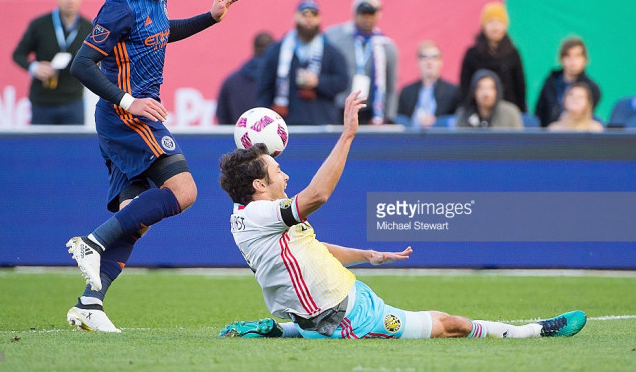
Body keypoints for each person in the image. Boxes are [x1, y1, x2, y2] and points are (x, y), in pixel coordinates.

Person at [217, 92, 586, 339]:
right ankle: (532, 332)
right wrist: (347, 136)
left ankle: (280, 329)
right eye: (274, 169)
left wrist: (366, 254)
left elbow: (308, 248)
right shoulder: (262, 214)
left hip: (344, 295)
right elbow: (318, 194)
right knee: (446, 325)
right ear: (258, 186)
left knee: (319, 318)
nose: (284, 173)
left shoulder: (248, 211)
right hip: (346, 316)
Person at [65, 0, 242, 333]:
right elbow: (81, 64)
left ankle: (90, 303)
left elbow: (162, 35)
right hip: (127, 117)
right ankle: (91, 243)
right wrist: (129, 101)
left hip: (129, 117)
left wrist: (209, 18)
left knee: (134, 218)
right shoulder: (121, 5)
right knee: (185, 191)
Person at [12, 0, 92, 125]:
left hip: (73, 100)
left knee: (73, 147)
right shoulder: (39, 24)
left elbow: (99, 62)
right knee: (41, 147)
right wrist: (34, 67)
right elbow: (18, 54)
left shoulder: (89, 28)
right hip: (42, 101)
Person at [257, 0, 349, 125]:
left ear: (319, 18)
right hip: (285, 124)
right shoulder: (277, 51)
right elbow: (264, 88)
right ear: (296, 17)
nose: (309, 19)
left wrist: (318, 82)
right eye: (305, 14)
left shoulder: (331, 52)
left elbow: (342, 82)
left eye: (314, 15)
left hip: (321, 122)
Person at [325, 0, 399, 125]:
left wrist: (389, 116)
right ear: (354, 14)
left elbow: (391, 85)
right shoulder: (335, 37)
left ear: (379, 15)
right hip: (339, 106)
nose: (367, 18)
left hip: (370, 109)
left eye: (371, 14)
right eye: (363, 14)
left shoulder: (386, 45)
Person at [459, 2, 527, 112]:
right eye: (490, 22)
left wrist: (519, 112)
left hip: (507, 110)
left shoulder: (512, 53)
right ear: (483, 25)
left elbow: (520, 86)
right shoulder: (472, 54)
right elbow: (465, 87)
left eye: (499, 22)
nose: (495, 27)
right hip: (479, 111)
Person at [535, 37, 601, 127]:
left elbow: (586, 116)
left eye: (578, 56)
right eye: (568, 56)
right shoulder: (551, 82)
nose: (572, 61)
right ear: (561, 59)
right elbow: (540, 111)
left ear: (585, 59)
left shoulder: (591, 87)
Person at [397, 40, 460, 128]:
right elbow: (399, 121)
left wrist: (437, 122)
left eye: (434, 57)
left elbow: (458, 120)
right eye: (424, 57)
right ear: (417, 62)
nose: (429, 61)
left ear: (441, 62)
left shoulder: (452, 91)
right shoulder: (407, 92)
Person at [216, 31, 276, 125]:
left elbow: (222, 118)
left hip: (240, 137)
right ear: (274, 50)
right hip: (276, 138)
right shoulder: (283, 80)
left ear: (254, 48)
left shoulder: (231, 81)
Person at [455, 69, 523, 129]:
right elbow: (458, 141)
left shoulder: (510, 112)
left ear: (497, 91)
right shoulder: (463, 114)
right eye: (481, 88)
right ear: (474, 92)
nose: (486, 94)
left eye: (490, 88)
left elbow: (519, 141)